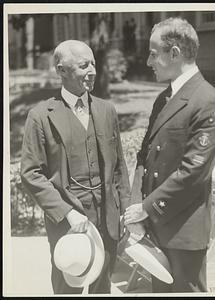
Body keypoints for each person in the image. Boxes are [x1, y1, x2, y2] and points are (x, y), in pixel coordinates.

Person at [124, 17, 215, 293]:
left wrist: (145, 208)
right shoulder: (165, 98)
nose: (148, 62)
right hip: (156, 228)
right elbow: (144, 157)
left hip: (183, 233)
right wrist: (137, 211)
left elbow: (193, 172)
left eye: (153, 54)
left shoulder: (207, 101)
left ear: (175, 53)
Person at [20, 40, 130, 294]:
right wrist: (67, 213)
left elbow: (118, 167)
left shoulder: (106, 110)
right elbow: (31, 173)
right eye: (83, 65)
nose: (92, 70)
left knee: (102, 287)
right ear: (61, 70)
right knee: (67, 288)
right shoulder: (40, 115)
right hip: (67, 224)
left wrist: (124, 209)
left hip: (107, 221)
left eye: (93, 63)